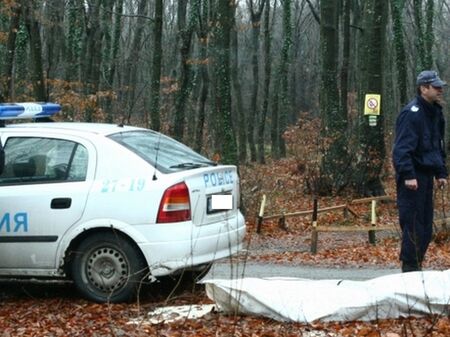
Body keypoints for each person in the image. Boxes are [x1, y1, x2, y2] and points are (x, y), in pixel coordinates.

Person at [393, 70, 447, 272]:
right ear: (423, 88)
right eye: (436, 87)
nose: (440, 90)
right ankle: (410, 269)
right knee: (413, 225)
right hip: (412, 177)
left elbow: (437, 146)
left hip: (426, 176)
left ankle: (417, 266)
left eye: (440, 86)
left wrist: (441, 172)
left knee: (425, 226)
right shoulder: (412, 113)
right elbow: (401, 149)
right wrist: (408, 175)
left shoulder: (435, 113)